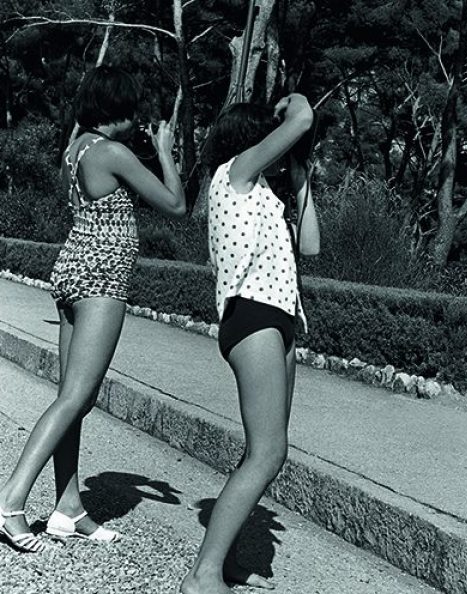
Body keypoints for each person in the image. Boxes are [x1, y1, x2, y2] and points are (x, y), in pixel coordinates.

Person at [0, 65, 186, 553]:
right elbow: (175, 204)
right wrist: (165, 152)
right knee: (75, 398)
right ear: (117, 110)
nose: (137, 118)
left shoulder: (75, 147)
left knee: (72, 397)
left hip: (71, 269)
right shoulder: (112, 152)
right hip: (102, 276)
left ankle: (69, 507)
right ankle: (11, 499)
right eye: (132, 109)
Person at [180, 93, 318, 594]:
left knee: (265, 451)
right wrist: (293, 103)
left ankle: (227, 561)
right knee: (267, 453)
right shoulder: (231, 175)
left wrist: (301, 175)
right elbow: (302, 117)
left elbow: (313, 245)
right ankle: (202, 575)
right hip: (252, 316)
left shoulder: (262, 194)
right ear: (252, 138)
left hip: (281, 320)